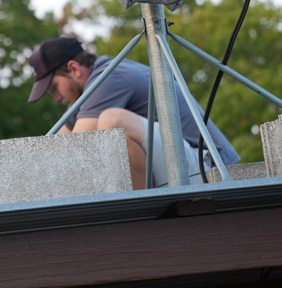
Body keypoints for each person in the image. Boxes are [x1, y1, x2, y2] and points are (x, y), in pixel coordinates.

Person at [27, 37, 239, 189]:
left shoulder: (109, 77)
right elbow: (53, 151)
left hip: (209, 168)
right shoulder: (89, 93)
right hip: (183, 164)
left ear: (74, 69)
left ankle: (139, 218)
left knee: (112, 121)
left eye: (54, 87)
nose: (55, 97)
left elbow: (78, 150)